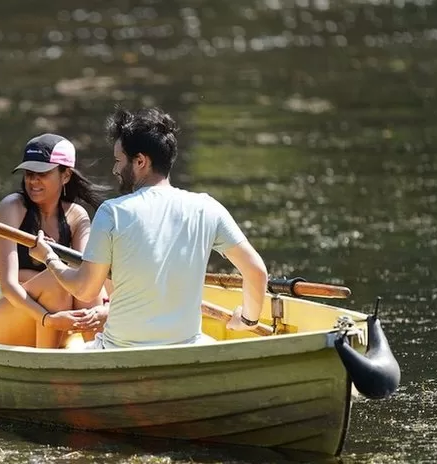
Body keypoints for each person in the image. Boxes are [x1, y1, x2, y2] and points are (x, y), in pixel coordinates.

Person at [28, 107, 269, 349]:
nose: (114, 169)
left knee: (70, 347)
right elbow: (256, 272)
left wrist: (49, 258)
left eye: (118, 160)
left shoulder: (113, 212)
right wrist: (248, 319)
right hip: (186, 347)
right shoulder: (207, 207)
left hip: (120, 349)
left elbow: (85, 289)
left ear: (140, 161)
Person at [0, 133, 111, 348]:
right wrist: (47, 318)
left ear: (65, 175)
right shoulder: (12, 207)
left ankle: (100, 354)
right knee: (57, 280)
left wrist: (104, 309)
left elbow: (87, 279)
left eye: (42, 173)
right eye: (28, 173)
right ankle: (48, 368)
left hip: (57, 314)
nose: (33, 181)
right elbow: (9, 286)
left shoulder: (77, 216)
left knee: (85, 286)